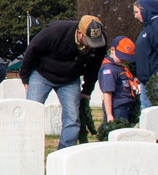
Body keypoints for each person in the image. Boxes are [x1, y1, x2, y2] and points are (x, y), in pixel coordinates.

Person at [19, 15, 107, 149]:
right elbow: (32, 50)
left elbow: (94, 67)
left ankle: (64, 153)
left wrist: (87, 90)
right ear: (79, 33)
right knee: (32, 113)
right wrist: (25, 78)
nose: (92, 45)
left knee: (73, 118)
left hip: (70, 79)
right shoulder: (55, 31)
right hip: (42, 74)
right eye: (89, 40)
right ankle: (28, 148)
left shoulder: (100, 42)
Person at [98, 36, 139, 123]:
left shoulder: (118, 67)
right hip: (117, 108)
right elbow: (107, 93)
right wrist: (109, 115)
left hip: (125, 106)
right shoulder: (109, 69)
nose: (124, 60)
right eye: (122, 56)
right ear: (112, 50)